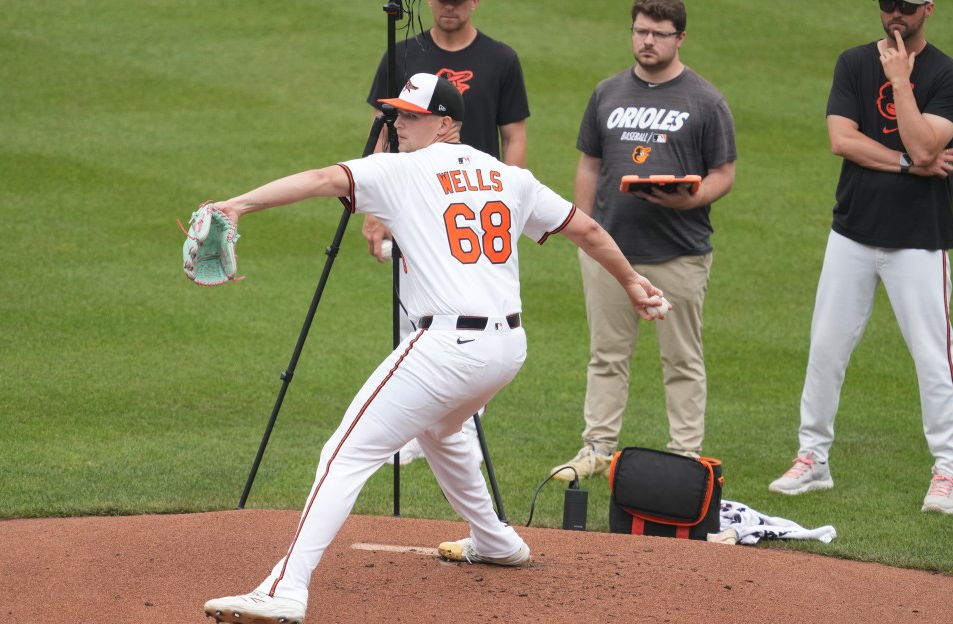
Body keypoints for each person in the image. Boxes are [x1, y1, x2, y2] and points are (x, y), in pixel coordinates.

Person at [202, 73, 669, 623]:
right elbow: (586, 230)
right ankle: (495, 540)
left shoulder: (400, 171)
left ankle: (285, 587)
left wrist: (239, 206)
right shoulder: (507, 176)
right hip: (507, 349)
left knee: (345, 453)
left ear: (445, 122)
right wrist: (632, 280)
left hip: (448, 347)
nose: (396, 124)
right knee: (443, 429)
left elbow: (325, 178)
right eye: (395, 114)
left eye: (410, 116)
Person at [767, 0, 953, 515]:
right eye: (886, 6)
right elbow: (843, 140)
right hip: (852, 233)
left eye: (904, 6)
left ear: (928, 8)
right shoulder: (853, 63)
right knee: (826, 349)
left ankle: (946, 472)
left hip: (920, 241)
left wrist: (902, 81)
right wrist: (907, 164)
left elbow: (928, 147)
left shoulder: (949, 76)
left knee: (933, 358)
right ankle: (813, 459)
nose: (893, 15)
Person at [550, 0, 736, 482]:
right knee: (607, 354)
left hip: (680, 250)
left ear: (680, 39)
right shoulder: (607, 92)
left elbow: (723, 174)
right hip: (612, 251)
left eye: (658, 33)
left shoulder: (705, 100)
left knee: (681, 357)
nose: (647, 41)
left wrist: (690, 200)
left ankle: (685, 455)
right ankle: (597, 447)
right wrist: (584, 228)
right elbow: (590, 163)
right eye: (640, 31)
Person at [365, 0, 531, 465]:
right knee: (410, 312)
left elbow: (513, 135)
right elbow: (384, 129)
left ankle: (462, 431)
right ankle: (410, 429)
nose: (450, 7)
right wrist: (375, 206)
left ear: (474, 2)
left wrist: (507, 202)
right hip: (414, 204)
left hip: (470, 207)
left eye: (459, 0)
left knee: (471, 318)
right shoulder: (401, 55)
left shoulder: (501, 59)